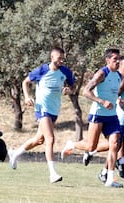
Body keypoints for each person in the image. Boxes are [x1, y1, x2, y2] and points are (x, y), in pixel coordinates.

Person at [8, 47, 75, 183]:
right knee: (50, 139)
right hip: (42, 109)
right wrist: (27, 97)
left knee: (39, 140)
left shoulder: (65, 72)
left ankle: (15, 153)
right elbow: (25, 82)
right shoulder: (42, 70)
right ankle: (53, 173)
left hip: (54, 109)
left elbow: (73, 87)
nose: (61, 61)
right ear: (52, 57)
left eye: (63, 58)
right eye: (59, 58)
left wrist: (69, 90)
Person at [61, 48, 123, 188]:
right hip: (98, 114)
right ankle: (72, 145)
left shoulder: (119, 75)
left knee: (115, 144)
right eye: (115, 59)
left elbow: (114, 94)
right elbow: (85, 92)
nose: (118, 62)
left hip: (112, 116)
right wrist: (102, 101)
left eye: (119, 59)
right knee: (91, 146)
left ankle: (110, 179)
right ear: (107, 60)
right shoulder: (102, 73)